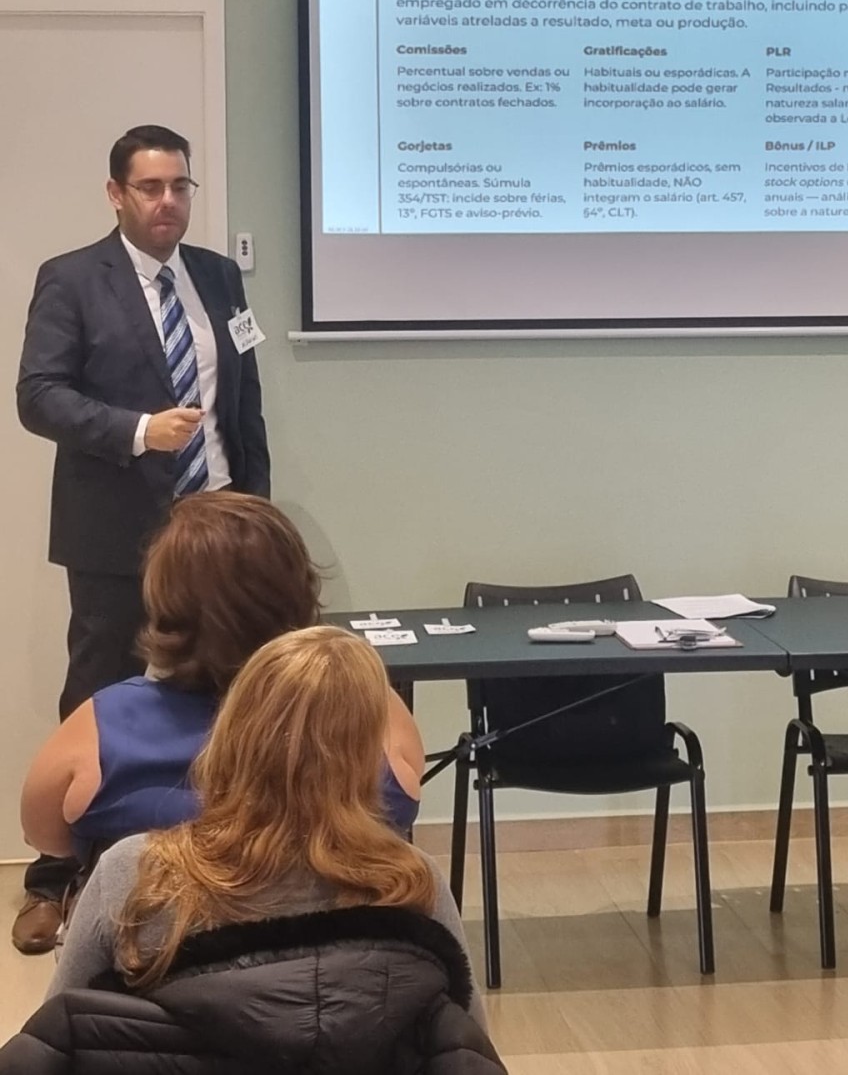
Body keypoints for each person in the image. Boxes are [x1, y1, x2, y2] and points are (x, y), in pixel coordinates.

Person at [0, 628, 503, 1075]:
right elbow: (465, 1048)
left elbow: (57, 1045)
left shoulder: (134, 875)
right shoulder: (413, 884)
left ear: (230, 733)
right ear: (368, 757)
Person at [14, 124, 271, 953]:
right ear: (116, 194)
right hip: (115, 532)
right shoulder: (72, 278)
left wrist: (257, 514)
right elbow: (38, 395)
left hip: (220, 527)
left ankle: (228, 862)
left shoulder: (220, 277)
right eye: (151, 187)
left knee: (233, 694)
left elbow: (245, 403)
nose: (168, 202)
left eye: (179, 187)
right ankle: (58, 877)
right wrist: (137, 430)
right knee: (100, 691)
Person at [19, 492, 424, 869]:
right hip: (343, 918)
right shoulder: (367, 704)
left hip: (154, 920)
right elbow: (401, 808)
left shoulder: (104, 724)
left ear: (166, 608)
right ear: (300, 591)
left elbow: (45, 837)